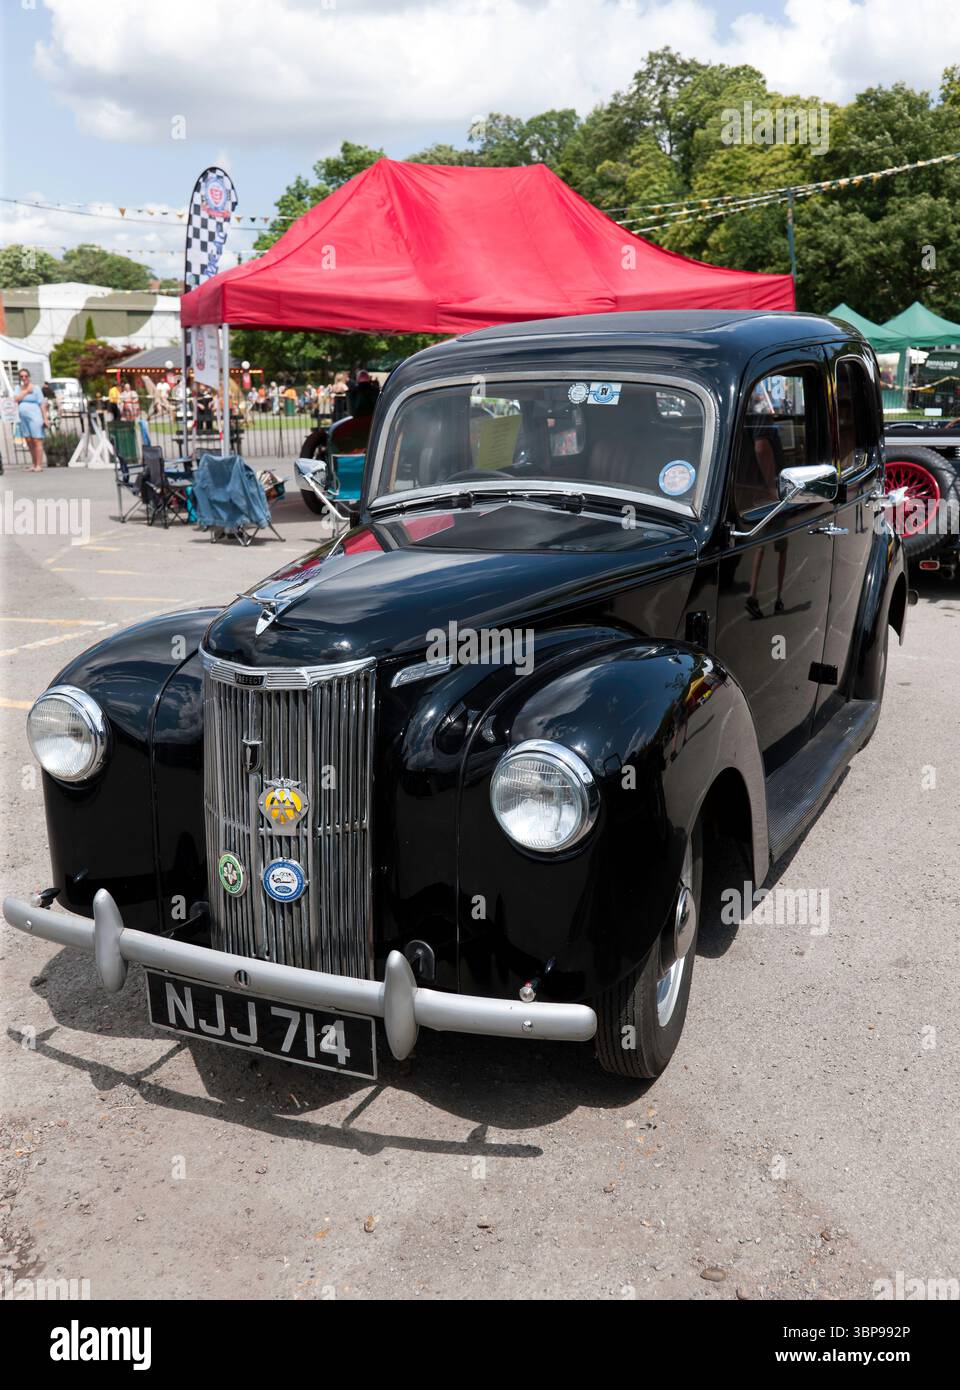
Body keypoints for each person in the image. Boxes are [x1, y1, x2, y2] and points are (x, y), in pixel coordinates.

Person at [15, 368, 49, 471]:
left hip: (35, 416)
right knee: (28, 440)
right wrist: (25, 392)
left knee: (36, 439)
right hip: (23, 418)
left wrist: (45, 418)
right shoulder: (18, 388)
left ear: (29, 377)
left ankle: (39, 465)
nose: (24, 378)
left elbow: (42, 403)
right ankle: (34, 464)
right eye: (21, 376)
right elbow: (16, 399)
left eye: (26, 376)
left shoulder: (36, 388)